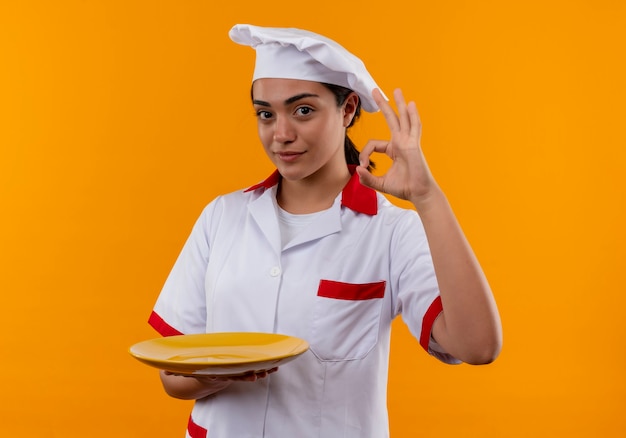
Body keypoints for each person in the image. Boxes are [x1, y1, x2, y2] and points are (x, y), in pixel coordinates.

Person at [148, 23, 502, 438]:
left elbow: (477, 347)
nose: (281, 135)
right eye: (266, 114)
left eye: (303, 111)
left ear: (348, 109)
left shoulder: (389, 230)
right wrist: (225, 372)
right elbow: (173, 376)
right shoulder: (222, 217)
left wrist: (427, 196)